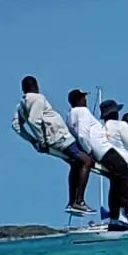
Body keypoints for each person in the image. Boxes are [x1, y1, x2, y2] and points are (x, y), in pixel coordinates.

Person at [65, 90, 128, 249]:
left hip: (107, 156)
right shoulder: (116, 124)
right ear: (116, 113)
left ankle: (125, 220)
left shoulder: (100, 125)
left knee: (118, 181)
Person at [12, 76, 93, 216]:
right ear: (36, 86)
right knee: (87, 161)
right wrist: (41, 140)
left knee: (75, 164)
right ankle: (79, 201)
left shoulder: (21, 104)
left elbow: (16, 125)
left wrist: (32, 140)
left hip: (52, 140)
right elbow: (33, 120)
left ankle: (72, 202)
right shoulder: (38, 98)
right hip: (59, 138)